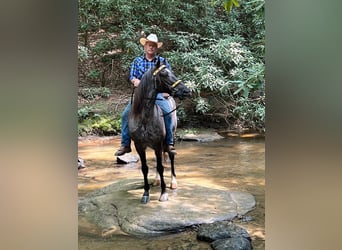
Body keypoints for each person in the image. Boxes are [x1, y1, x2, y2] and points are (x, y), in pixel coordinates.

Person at [114, 33, 177, 156]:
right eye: (149, 45)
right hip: (140, 95)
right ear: (145, 46)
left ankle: (169, 144)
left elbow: (168, 77)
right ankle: (125, 144)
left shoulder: (162, 61)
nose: (151, 47)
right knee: (126, 115)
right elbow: (132, 76)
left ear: (156, 47)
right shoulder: (137, 61)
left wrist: (165, 90)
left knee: (167, 112)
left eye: (153, 45)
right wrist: (134, 80)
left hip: (156, 94)